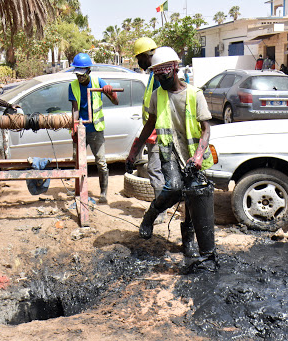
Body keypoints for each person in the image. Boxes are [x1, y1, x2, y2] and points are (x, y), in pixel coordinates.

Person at [126, 47, 217, 272]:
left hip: (191, 155)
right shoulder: (158, 95)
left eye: (163, 75)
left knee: (194, 197)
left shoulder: (195, 95)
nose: (160, 80)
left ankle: (188, 240)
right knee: (174, 188)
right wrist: (133, 151)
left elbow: (206, 129)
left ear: (174, 70)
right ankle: (151, 214)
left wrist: (197, 156)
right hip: (168, 151)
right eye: (156, 76)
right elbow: (149, 125)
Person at [69, 53, 118, 204]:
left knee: (101, 163)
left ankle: (103, 192)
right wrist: (74, 126)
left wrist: (109, 92)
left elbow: (116, 101)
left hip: (96, 129)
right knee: (78, 162)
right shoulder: (73, 86)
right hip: (81, 129)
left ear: (88, 71)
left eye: (82, 74)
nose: (80, 78)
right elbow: (75, 109)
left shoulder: (98, 81)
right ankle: (79, 190)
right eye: (77, 74)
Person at [133, 37, 169, 226]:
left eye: (139, 58)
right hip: (154, 131)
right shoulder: (153, 74)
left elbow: (163, 107)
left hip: (159, 133)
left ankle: (161, 211)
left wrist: (153, 131)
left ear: (147, 55)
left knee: (155, 170)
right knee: (161, 171)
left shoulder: (159, 76)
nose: (138, 62)